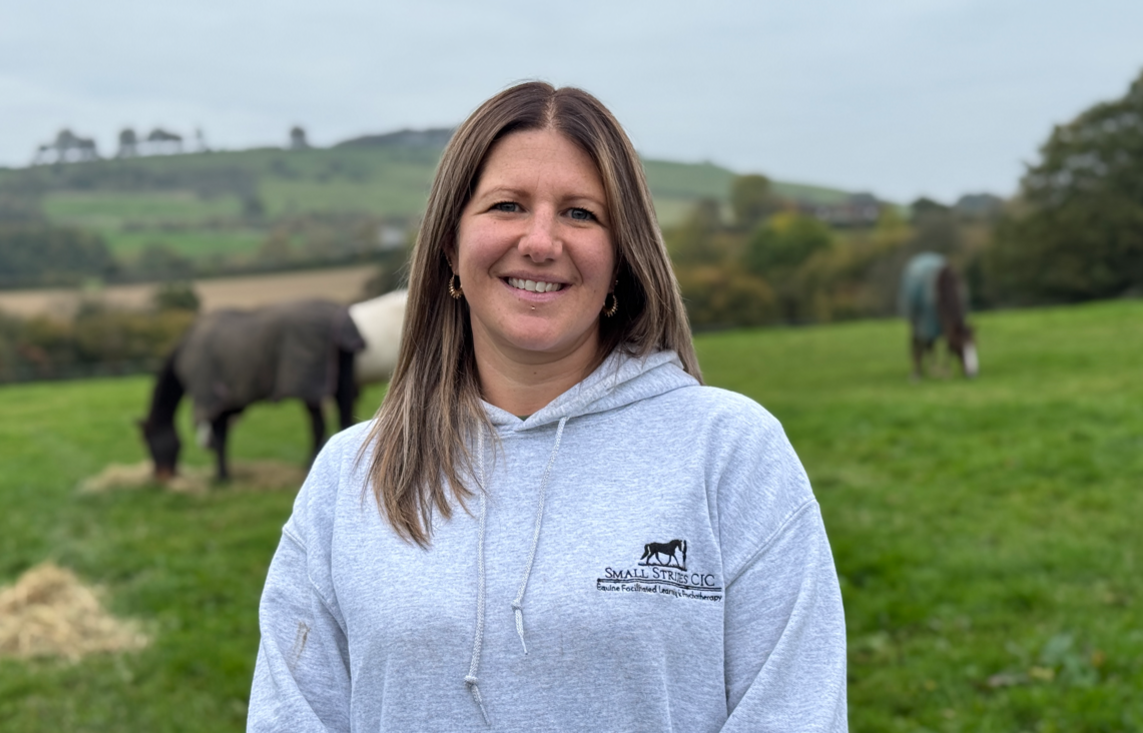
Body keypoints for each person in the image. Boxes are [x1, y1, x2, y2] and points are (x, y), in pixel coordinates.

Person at [248, 82, 847, 732]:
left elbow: (795, 713)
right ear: (449, 244)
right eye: (507, 205)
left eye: (581, 214)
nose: (540, 240)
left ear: (622, 257)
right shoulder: (350, 475)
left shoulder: (733, 453)